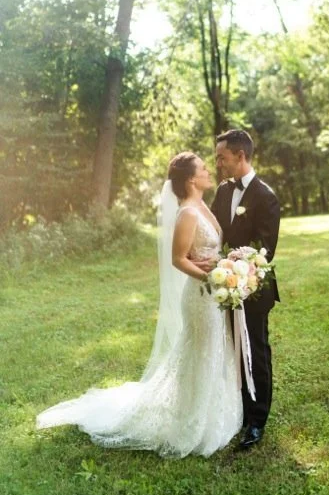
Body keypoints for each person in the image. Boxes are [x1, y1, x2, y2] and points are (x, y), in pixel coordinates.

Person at [36, 152, 242, 458]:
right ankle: (192, 419)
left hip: (214, 292)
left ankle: (209, 410)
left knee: (210, 352)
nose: (209, 170)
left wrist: (225, 264)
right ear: (191, 179)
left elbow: (209, 249)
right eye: (203, 168)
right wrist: (211, 277)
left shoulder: (202, 206)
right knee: (201, 352)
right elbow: (178, 259)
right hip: (201, 295)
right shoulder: (187, 213)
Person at [211, 129, 280, 449]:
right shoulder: (223, 192)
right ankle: (236, 408)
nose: (219, 164)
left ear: (240, 156)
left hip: (253, 286)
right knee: (231, 351)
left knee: (255, 352)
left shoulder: (266, 196)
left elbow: (265, 250)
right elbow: (213, 233)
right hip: (224, 286)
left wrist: (239, 271)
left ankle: (257, 420)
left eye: (222, 158)